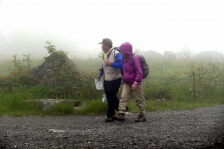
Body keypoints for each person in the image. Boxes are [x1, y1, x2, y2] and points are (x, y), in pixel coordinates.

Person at [114, 42, 146, 122]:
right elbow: (118, 49)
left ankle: (142, 115)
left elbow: (140, 72)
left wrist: (136, 83)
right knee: (123, 97)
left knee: (139, 99)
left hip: (136, 82)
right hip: (127, 82)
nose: (121, 52)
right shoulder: (124, 58)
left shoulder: (135, 59)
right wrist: (114, 48)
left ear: (126, 51)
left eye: (122, 51)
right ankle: (121, 114)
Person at [97, 38, 123, 122]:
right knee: (109, 96)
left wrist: (111, 63)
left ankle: (110, 115)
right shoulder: (104, 54)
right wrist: (100, 74)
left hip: (115, 79)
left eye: (102, 45)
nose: (101, 47)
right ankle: (122, 110)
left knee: (110, 97)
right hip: (107, 79)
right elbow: (103, 65)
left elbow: (121, 65)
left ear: (106, 45)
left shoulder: (116, 53)